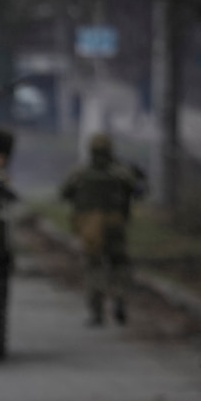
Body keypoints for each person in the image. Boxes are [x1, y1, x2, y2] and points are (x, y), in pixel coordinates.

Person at [60, 133, 148, 326]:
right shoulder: (121, 171)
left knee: (94, 265)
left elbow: (64, 193)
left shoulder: (80, 172)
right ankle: (119, 299)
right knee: (119, 263)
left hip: (90, 224)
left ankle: (97, 310)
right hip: (115, 222)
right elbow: (139, 191)